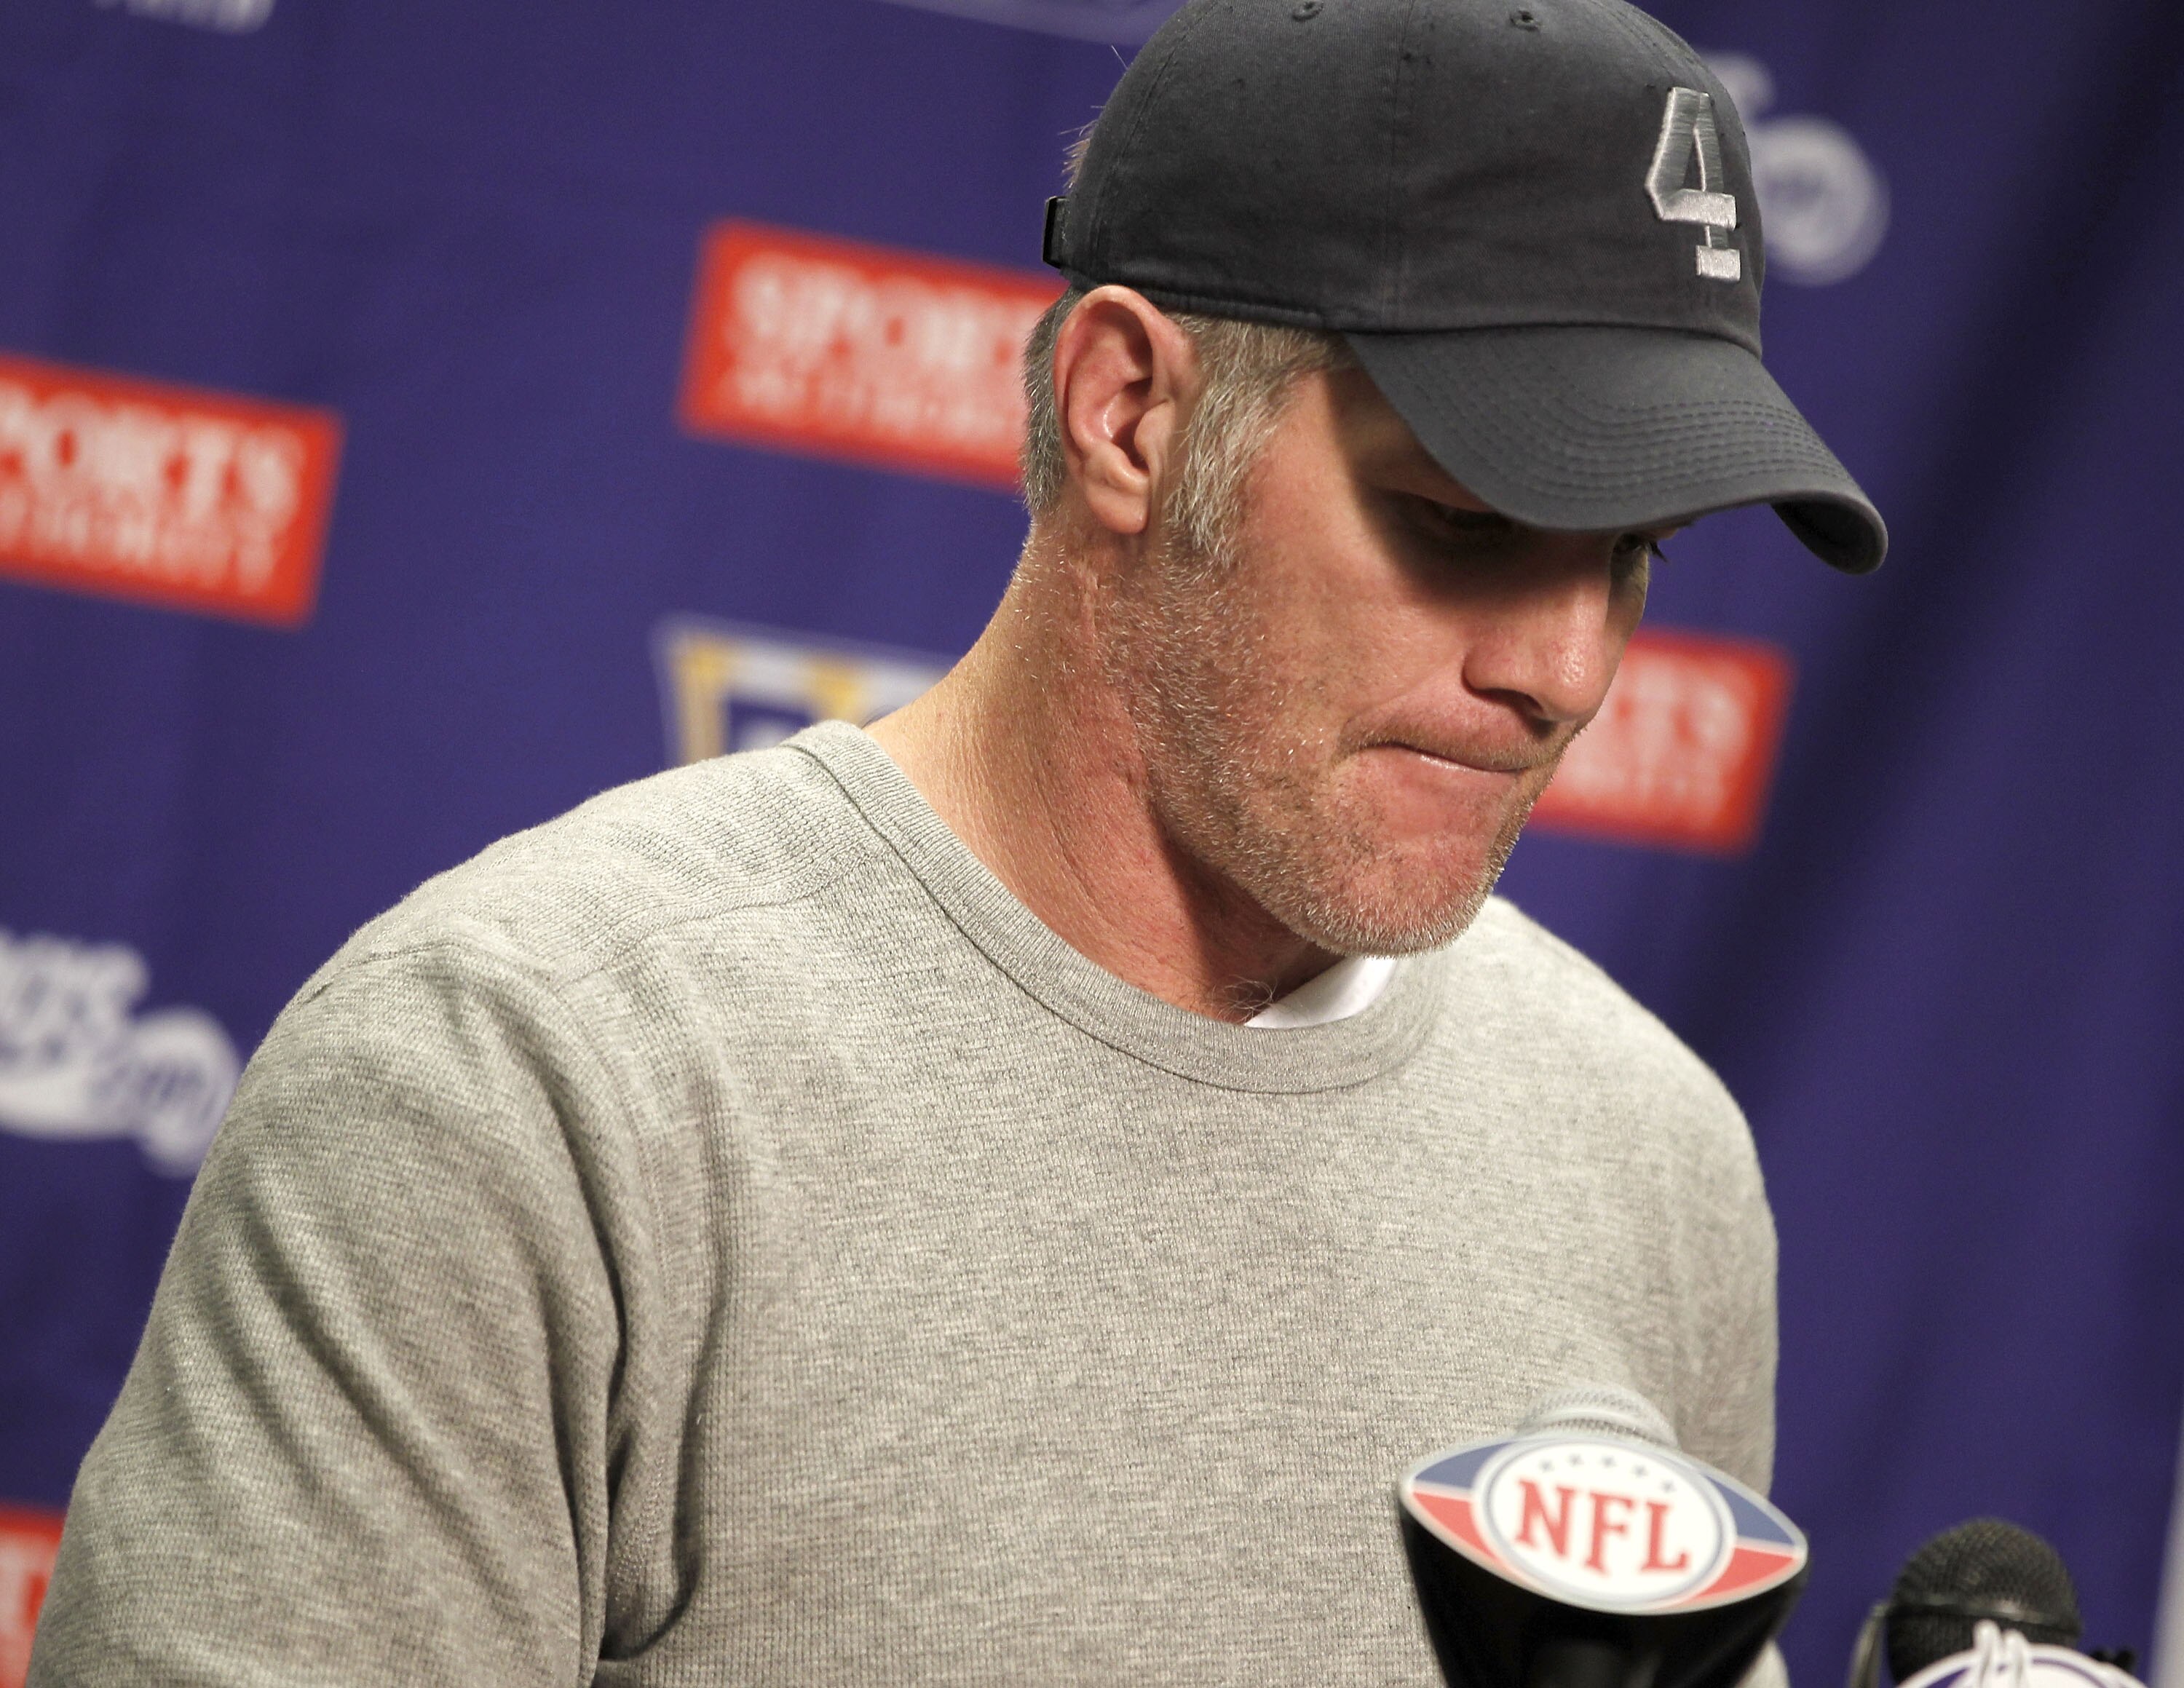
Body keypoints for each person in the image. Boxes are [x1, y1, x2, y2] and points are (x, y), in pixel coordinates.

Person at [30, 0, 1884, 1682]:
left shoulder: (1652, 1161)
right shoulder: (524, 1077)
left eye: (1639, 554)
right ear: (1131, 414)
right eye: (1467, 523)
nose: (1567, 670)